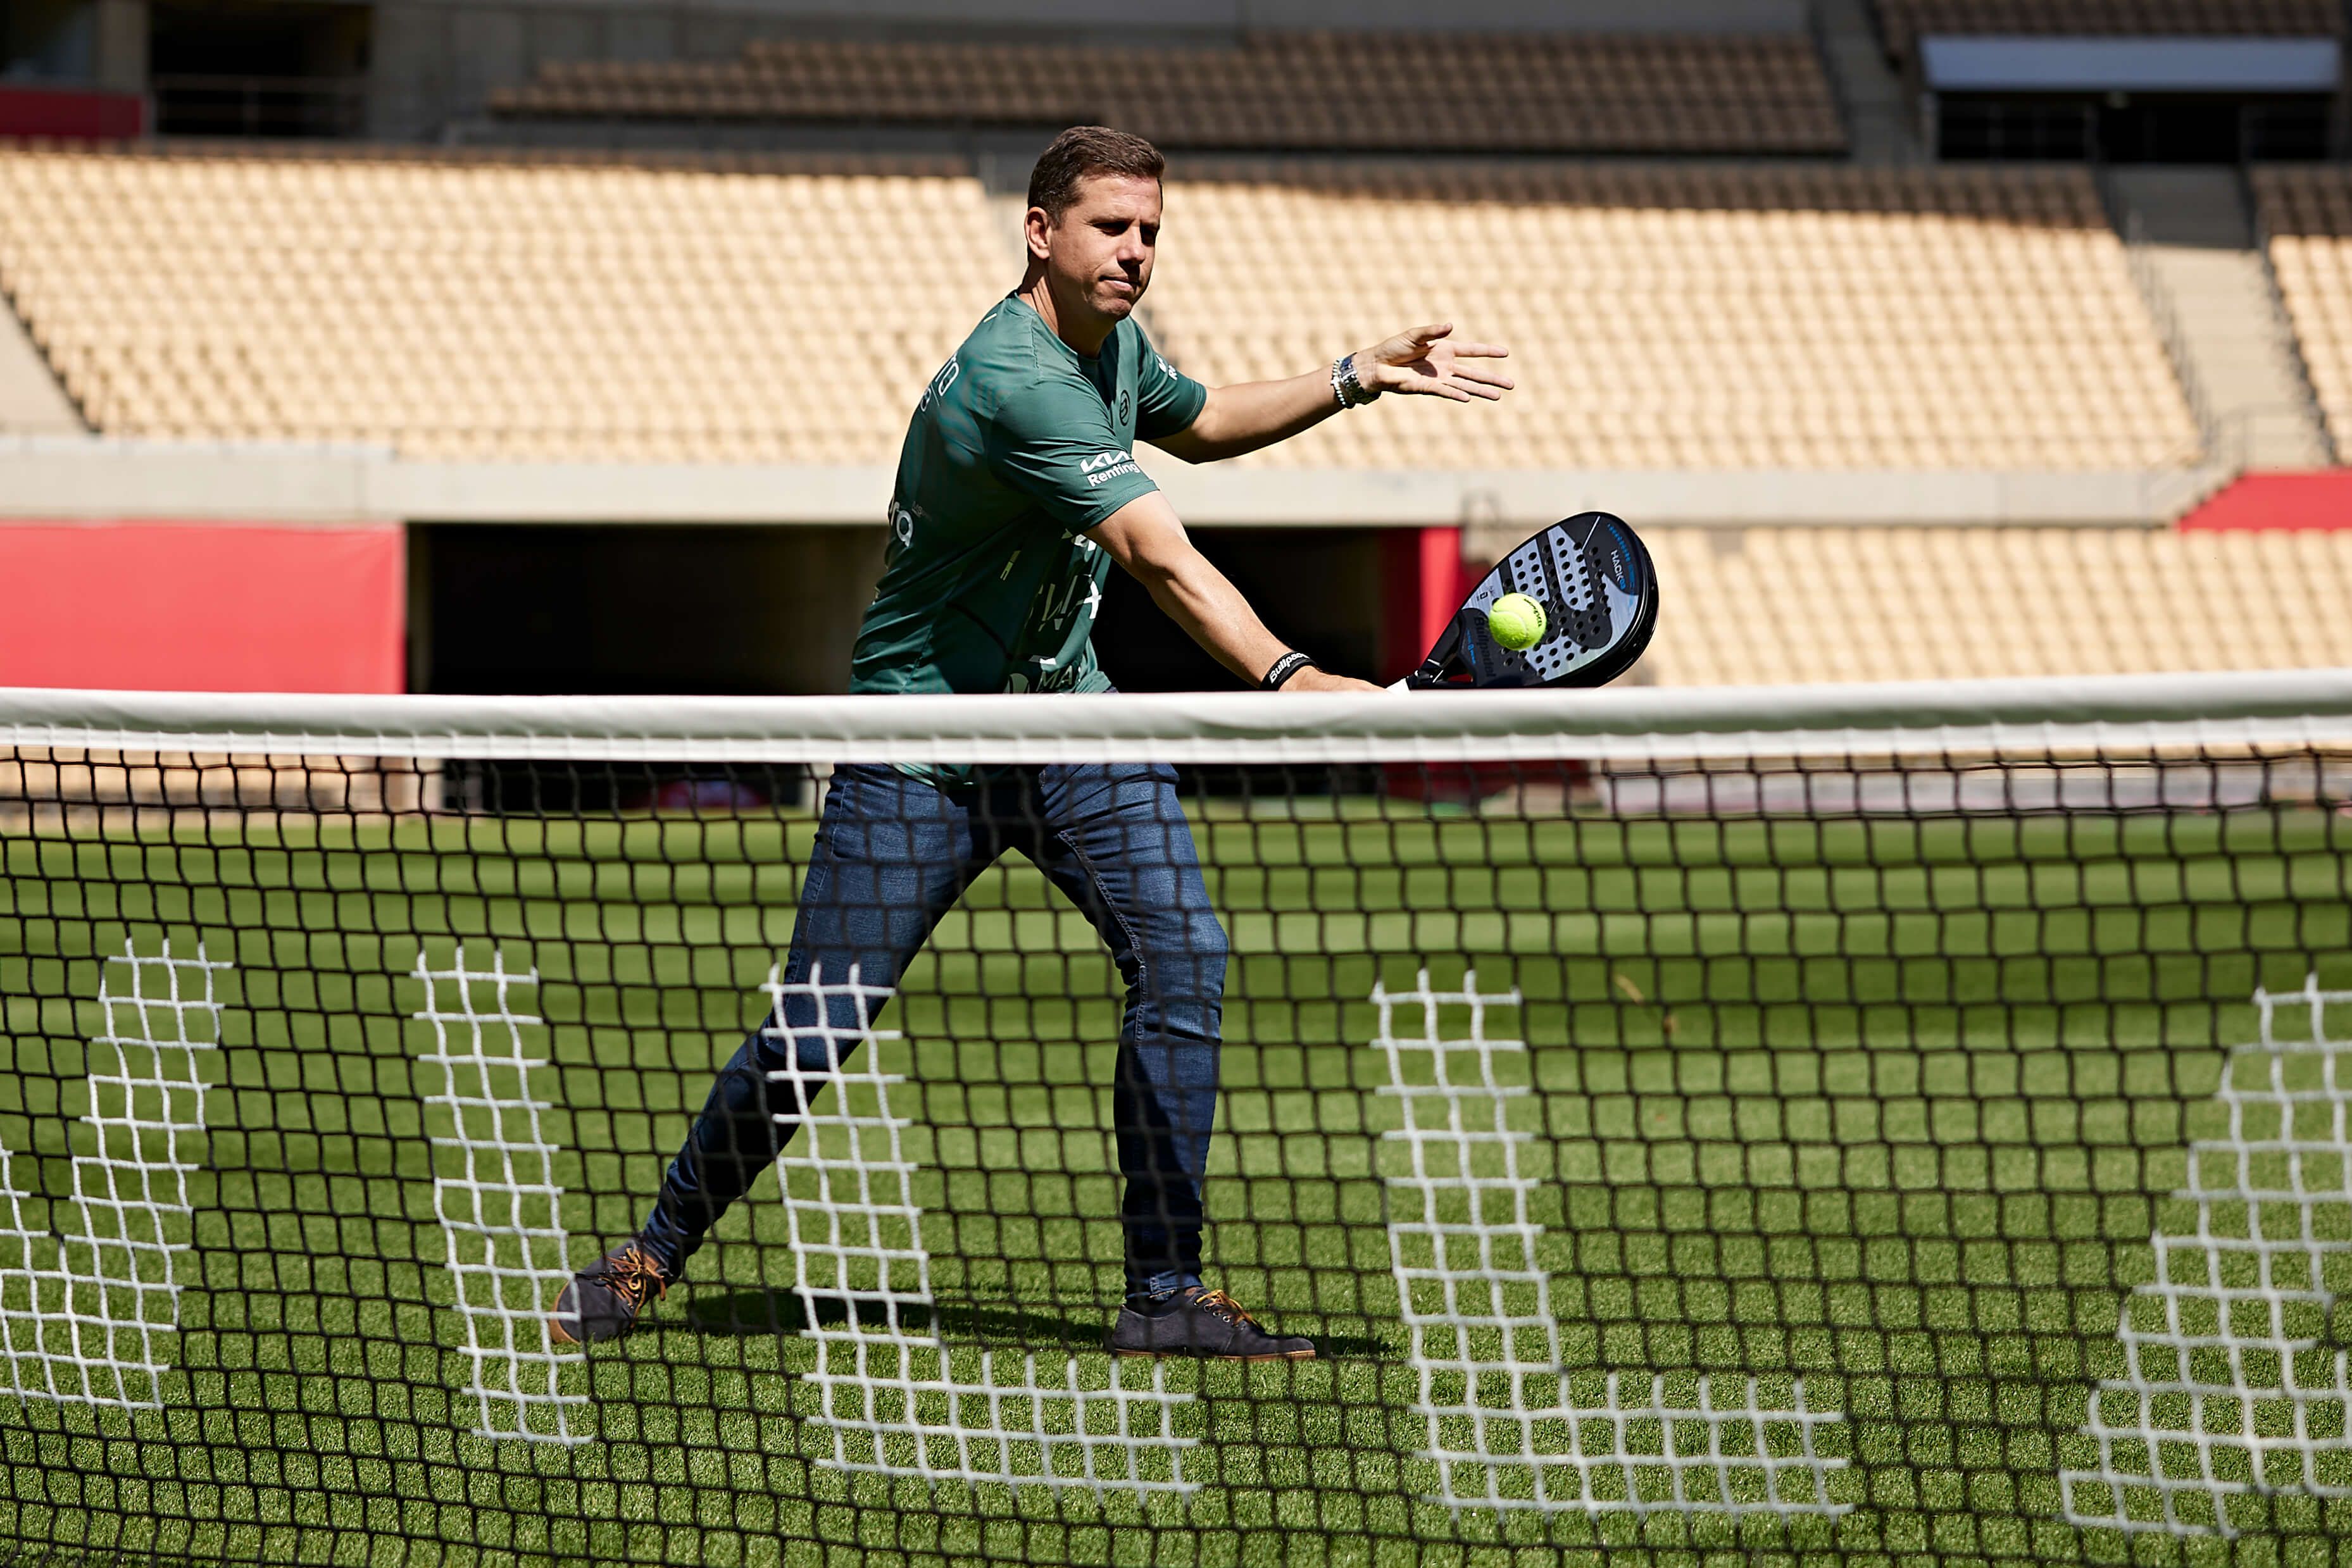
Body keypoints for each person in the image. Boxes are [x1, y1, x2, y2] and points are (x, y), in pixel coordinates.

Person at [551, 125, 1512, 1360]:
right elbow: (1159, 555)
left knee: (1183, 961)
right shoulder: (1018, 379)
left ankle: (1164, 1292)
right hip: (925, 744)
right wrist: (1294, 676)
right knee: (815, 1028)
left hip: (1068, 722)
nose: (1135, 252)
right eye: (1112, 227)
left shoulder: (1108, 350)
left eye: (1151, 231)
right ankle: (648, 1255)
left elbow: (1204, 418)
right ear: (1039, 231)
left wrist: (1351, 375)